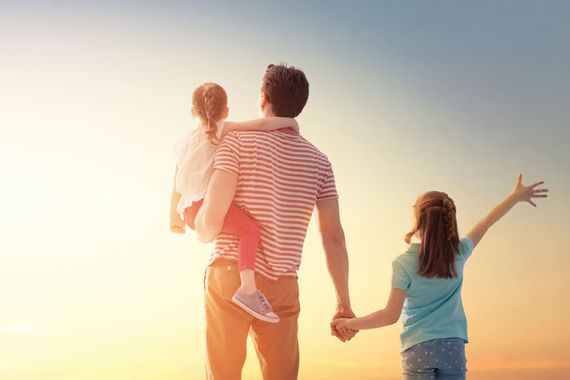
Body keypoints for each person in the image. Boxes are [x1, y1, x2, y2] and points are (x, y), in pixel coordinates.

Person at [194, 64, 356, 380]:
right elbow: (333, 237)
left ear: (263, 98)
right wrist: (343, 304)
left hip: (231, 273)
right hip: (284, 283)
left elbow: (212, 217)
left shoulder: (236, 143)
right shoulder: (320, 162)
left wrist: (198, 226)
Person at [332, 174, 548, 380]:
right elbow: (487, 220)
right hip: (452, 347)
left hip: (417, 349)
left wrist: (350, 323)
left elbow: (390, 316)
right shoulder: (459, 253)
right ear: (450, 220)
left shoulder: (403, 263)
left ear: (418, 221)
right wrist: (515, 196)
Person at [170, 82, 299, 323]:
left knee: (231, 226)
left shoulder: (184, 141)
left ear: (193, 112)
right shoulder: (223, 129)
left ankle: (240, 283)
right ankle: (248, 290)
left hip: (187, 210)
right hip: (202, 206)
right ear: (226, 111)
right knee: (249, 229)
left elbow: (175, 182)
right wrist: (289, 122)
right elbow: (260, 125)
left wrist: (173, 218)